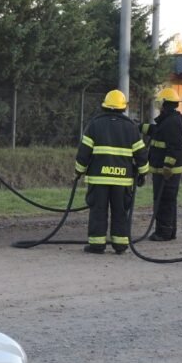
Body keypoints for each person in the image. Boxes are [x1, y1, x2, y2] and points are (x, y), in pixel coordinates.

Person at [75, 89, 149, 254]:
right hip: (122, 180)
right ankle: (120, 244)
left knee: (98, 211)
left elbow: (84, 152)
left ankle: (97, 244)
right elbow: (141, 154)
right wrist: (143, 173)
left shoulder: (94, 124)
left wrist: (78, 171)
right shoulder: (131, 127)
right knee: (120, 211)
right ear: (123, 108)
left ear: (105, 106)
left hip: (98, 179)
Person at [140, 88, 182, 241]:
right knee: (168, 200)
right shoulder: (169, 119)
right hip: (164, 170)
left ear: (165, 103)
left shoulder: (172, 121)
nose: (158, 106)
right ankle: (169, 231)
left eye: (160, 102)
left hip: (167, 171)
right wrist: (139, 126)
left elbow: (175, 146)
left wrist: (168, 166)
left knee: (164, 201)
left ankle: (163, 232)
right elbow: (156, 131)